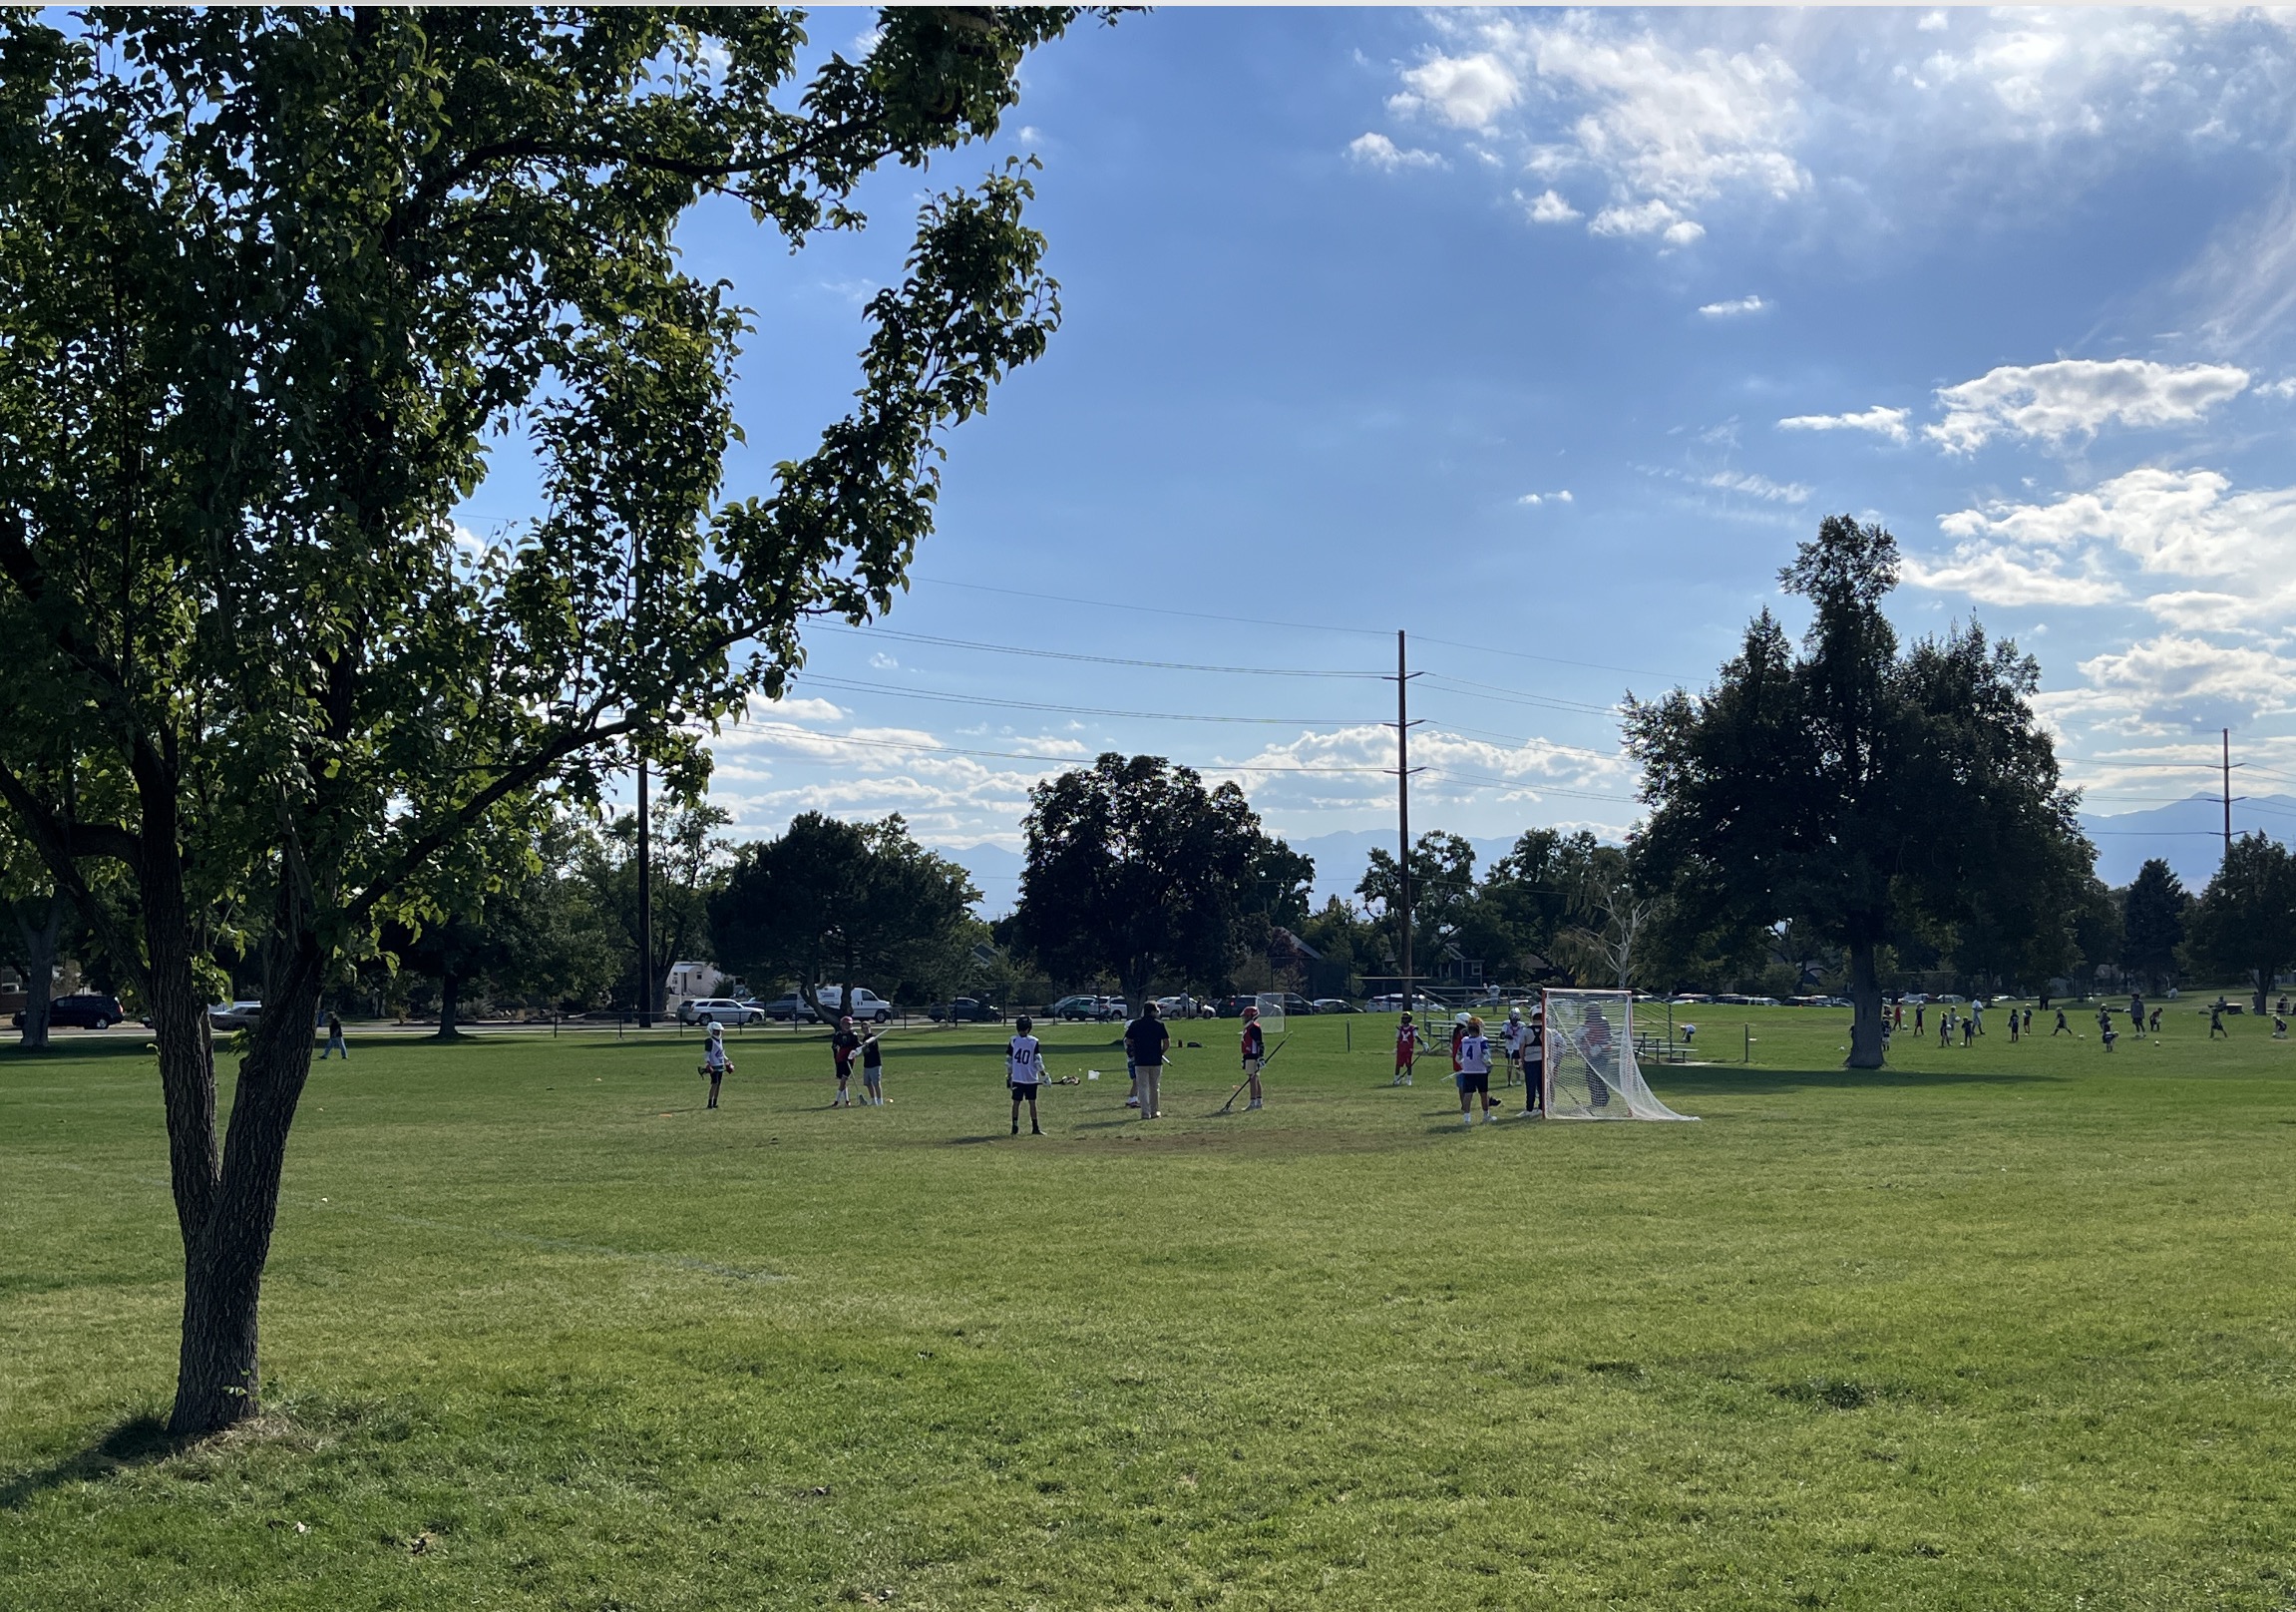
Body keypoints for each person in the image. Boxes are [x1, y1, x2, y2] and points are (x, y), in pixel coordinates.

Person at [1125, 1001, 1170, 1118]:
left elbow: (1128, 1040)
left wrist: (1135, 1047)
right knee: (1154, 1087)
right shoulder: (1159, 1024)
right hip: (1155, 1060)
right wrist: (1161, 1052)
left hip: (1140, 1060)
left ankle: (1145, 1113)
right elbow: (1166, 1042)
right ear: (1153, 1011)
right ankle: (1155, 1111)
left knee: (1142, 1087)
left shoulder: (1135, 1024)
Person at [1006, 1014, 1046, 1135]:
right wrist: (1044, 1075)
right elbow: (1038, 1061)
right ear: (1029, 1028)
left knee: (1016, 1102)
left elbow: (1008, 1061)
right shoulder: (1033, 1042)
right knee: (1032, 1102)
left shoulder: (1013, 1041)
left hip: (1017, 1077)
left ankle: (1015, 1126)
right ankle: (1035, 1127)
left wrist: (1009, 1076)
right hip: (1031, 1078)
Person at [1455, 1014, 1497, 1125]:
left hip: (1468, 1071)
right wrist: (1489, 1065)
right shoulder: (1482, 1041)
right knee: (1483, 1094)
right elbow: (1486, 1057)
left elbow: (1458, 1057)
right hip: (1480, 1071)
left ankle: (1467, 1118)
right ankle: (1486, 1115)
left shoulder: (1464, 1040)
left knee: (1468, 1094)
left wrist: (1464, 1065)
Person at [1239, 1005, 1268, 1110]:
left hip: (1253, 1056)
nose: (1244, 1018)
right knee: (1255, 1078)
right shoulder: (1248, 1028)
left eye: (1246, 1016)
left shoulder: (1254, 1028)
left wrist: (1260, 1057)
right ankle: (1258, 1102)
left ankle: (1253, 1102)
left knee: (1252, 1078)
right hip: (1248, 1055)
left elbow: (1260, 1044)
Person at [1520, 1008, 1546, 1117]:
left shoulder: (1526, 1030)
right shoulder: (1546, 1030)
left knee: (1530, 1086)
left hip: (1530, 1060)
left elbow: (1521, 1047)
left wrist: (1522, 1060)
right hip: (1542, 1060)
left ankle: (1529, 1109)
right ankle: (1541, 1107)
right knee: (1541, 1085)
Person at [830, 1014, 861, 1106]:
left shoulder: (853, 1035)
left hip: (849, 1059)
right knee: (842, 1080)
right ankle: (847, 1101)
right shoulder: (838, 1035)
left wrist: (855, 1051)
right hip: (840, 1059)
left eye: (849, 1024)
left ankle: (836, 1100)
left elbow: (858, 1046)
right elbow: (834, 1047)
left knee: (844, 1079)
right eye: (845, 1024)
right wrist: (836, 1057)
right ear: (841, 1025)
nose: (847, 1026)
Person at [700, 1021, 731, 1108]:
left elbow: (721, 1053)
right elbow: (707, 1054)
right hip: (713, 1066)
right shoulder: (710, 1041)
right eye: (715, 1031)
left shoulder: (720, 1041)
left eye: (718, 1031)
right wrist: (708, 1063)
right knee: (714, 1083)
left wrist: (727, 1061)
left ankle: (715, 1102)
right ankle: (710, 1103)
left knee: (719, 1084)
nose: (717, 1033)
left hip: (720, 1065)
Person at [860, 1025, 887, 1105]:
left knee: (876, 1083)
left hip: (875, 1064)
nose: (865, 1030)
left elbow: (871, 1040)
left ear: (869, 1028)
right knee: (867, 1083)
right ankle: (873, 1100)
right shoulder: (864, 1038)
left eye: (866, 1028)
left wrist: (867, 1042)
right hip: (867, 1064)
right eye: (863, 1028)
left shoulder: (873, 1037)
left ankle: (879, 1101)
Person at [1501, 1007, 1528, 1087]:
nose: (1514, 1021)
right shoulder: (1506, 1024)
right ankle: (1509, 1081)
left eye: (1515, 1020)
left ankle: (1518, 1079)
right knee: (1510, 1064)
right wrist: (1506, 1036)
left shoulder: (1522, 1025)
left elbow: (1524, 1035)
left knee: (1518, 1063)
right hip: (1510, 1046)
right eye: (1513, 1019)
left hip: (1518, 1046)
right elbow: (1502, 1035)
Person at [1391, 1011, 1419, 1086]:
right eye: (1403, 1018)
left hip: (1408, 1049)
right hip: (1401, 1049)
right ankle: (1396, 1079)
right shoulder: (1400, 1028)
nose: (1405, 1020)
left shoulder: (1413, 1028)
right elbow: (1398, 1037)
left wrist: (1423, 1043)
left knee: (1408, 1064)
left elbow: (1416, 1036)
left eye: (1406, 1018)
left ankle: (1409, 1080)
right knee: (1398, 1064)